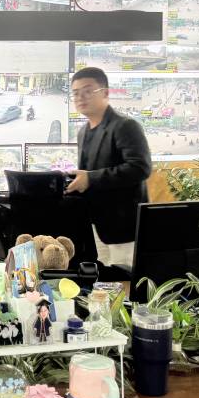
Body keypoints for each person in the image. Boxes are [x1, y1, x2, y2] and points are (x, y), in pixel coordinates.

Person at [65, 67, 152, 270]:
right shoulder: (83, 131)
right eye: (76, 93)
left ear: (105, 92)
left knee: (125, 281)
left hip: (125, 228)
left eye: (88, 91)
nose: (80, 97)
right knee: (103, 281)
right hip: (97, 226)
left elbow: (140, 167)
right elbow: (88, 173)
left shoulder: (125, 126)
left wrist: (90, 178)